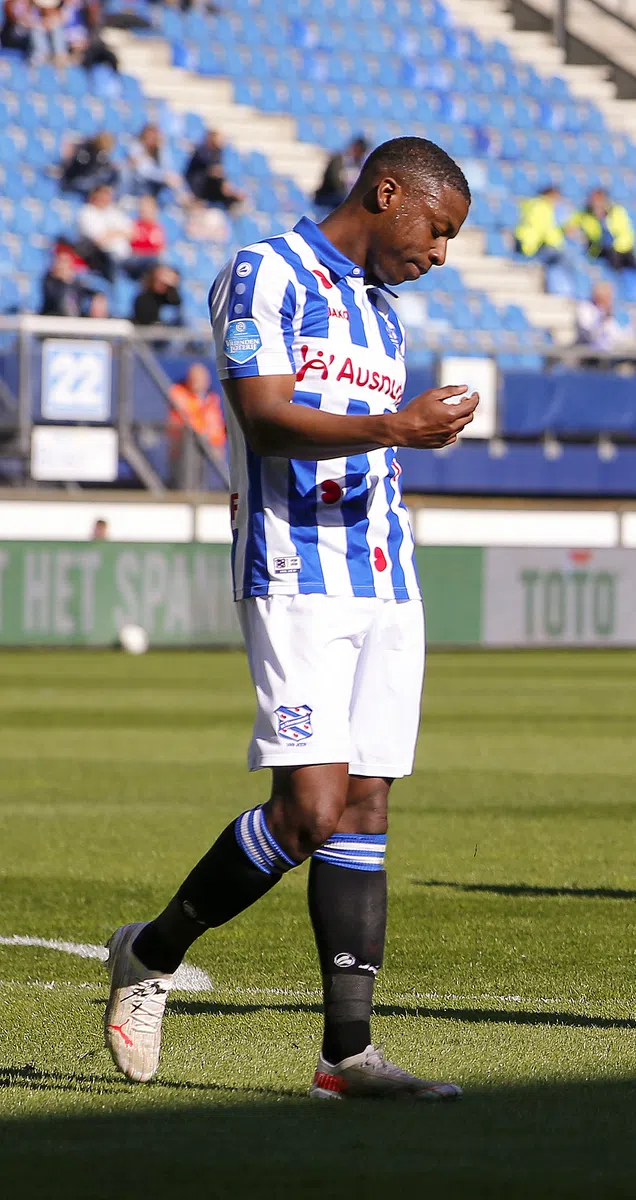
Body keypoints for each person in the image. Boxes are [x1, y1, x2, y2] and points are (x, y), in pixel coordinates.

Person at [102, 136, 480, 1101]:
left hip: (385, 574)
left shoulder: (382, 313)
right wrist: (398, 425)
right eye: (437, 229)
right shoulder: (264, 272)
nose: (440, 253)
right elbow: (264, 418)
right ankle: (151, 953)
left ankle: (346, 1058)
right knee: (309, 810)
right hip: (294, 568)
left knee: (366, 805)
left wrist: (413, 434)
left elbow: (368, 442)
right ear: (388, 193)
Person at [166, 361, 225, 484]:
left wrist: (217, 443)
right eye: (195, 378)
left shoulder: (212, 398)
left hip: (207, 449)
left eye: (202, 378)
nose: (198, 382)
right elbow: (185, 420)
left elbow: (216, 425)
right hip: (183, 446)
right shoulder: (178, 392)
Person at [75, 183, 146, 281]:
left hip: (126, 256)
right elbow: (99, 240)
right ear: (95, 195)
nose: (106, 198)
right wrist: (119, 232)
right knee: (112, 260)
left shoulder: (114, 212)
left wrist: (111, 233)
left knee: (155, 261)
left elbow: (133, 234)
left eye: (108, 195)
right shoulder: (87, 212)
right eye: (103, 194)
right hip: (102, 257)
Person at [566, 186, 636, 271]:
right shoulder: (584, 214)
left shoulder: (616, 211)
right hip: (597, 251)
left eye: (599, 200)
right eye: (594, 200)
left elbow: (620, 234)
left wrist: (603, 219)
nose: (596, 203)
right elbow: (570, 226)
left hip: (620, 251)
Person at [185, 128, 245, 209]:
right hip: (199, 185)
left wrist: (227, 185)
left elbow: (219, 171)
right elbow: (211, 169)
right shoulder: (201, 151)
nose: (221, 141)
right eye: (219, 138)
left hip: (212, 185)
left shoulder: (218, 152)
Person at [574, 280, 636, 353]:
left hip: (607, 354)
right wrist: (603, 319)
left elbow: (618, 337)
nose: (611, 300)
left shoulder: (606, 312)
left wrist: (635, 324)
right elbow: (590, 335)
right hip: (587, 353)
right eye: (608, 296)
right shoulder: (584, 308)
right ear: (599, 296)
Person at [123, 123, 184, 201]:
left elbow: (167, 166)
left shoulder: (158, 149)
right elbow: (144, 171)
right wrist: (163, 177)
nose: (151, 139)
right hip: (139, 183)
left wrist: (162, 148)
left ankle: (183, 199)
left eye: (154, 137)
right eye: (149, 136)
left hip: (155, 181)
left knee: (175, 180)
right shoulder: (136, 147)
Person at [513, 183, 565, 259]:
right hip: (529, 245)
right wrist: (559, 245)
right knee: (563, 257)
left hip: (523, 241)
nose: (557, 202)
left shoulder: (533, 203)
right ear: (551, 195)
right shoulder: (543, 206)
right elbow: (547, 229)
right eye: (557, 198)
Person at [39, 243, 94, 316]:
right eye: (60, 261)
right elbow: (55, 301)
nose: (63, 265)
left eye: (65, 261)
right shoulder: (48, 281)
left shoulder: (78, 282)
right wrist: (64, 282)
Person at [314, 135, 367, 210]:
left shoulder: (358, 163)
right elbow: (334, 180)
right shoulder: (338, 159)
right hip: (329, 196)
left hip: (345, 196)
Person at [60, 130, 119, 197]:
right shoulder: (86, 150)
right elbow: (82, 169)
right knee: (98, 180)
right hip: (75, 180)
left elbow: (104, 166)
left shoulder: (100, 154)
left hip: (87, 179)